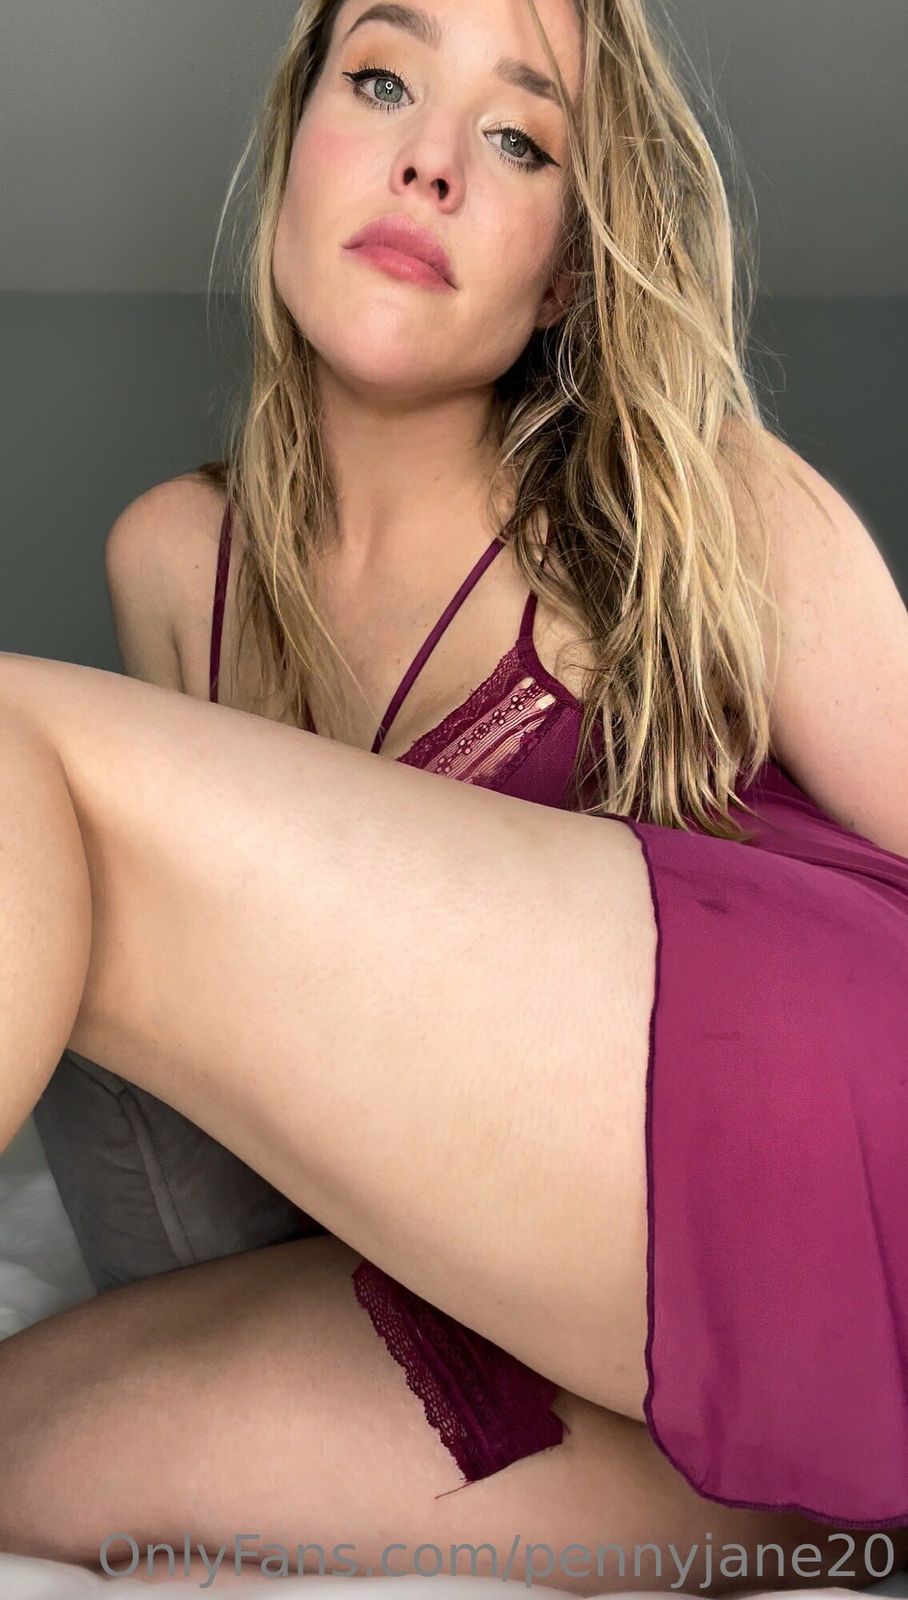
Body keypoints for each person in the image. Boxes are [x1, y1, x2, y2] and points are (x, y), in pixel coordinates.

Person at [1, 0, 907, 1590]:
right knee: (23, 1447)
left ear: (564, 272)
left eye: (518, 139)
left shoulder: (699, 495)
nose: (431, 163)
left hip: (823, 1121)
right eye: (379, 80)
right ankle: (802, 1492)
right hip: (563, 1315)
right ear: (294, 146)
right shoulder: (176, 562)